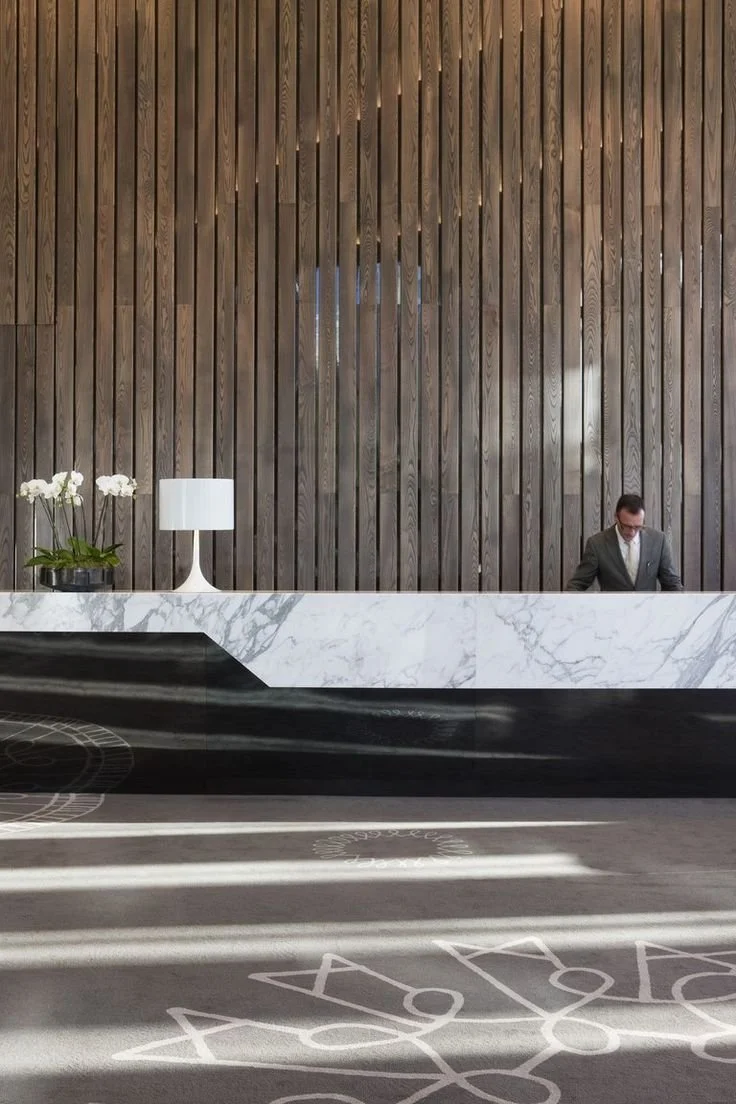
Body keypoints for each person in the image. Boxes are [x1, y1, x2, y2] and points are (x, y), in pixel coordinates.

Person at [564, 493, 683, 592]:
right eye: (626, 526)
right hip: (611, 616)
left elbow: (671, 583)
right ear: (616, 517)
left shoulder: (658, 541)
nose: (632, 532)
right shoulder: (596, 544)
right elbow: (577, 585)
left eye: (638, 527)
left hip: (648, 616)